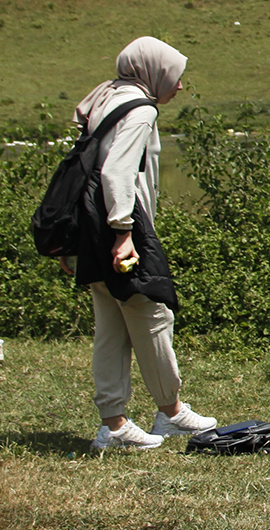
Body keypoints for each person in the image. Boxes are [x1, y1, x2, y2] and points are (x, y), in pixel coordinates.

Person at [71, 36, 217, 452]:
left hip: (92, 227)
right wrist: (123, 234)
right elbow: (116, 174)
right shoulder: (141, 110)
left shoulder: (104, 97)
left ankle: (114, 423)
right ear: (153, 71)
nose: (180, 86)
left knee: (112, 326)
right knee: (153, 315)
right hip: (120, 227)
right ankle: (170, 413)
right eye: (176, 77)